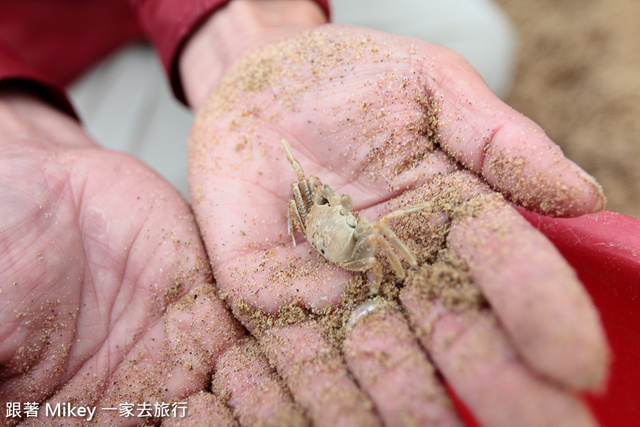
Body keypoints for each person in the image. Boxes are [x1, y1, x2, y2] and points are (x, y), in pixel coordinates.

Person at [0, 1, 608, 425]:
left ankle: (198, 146)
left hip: (176, 29)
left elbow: (360, 231)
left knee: (472, 33)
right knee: (159, 190)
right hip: (54, 65)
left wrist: (244, 34)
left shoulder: (327, 217)